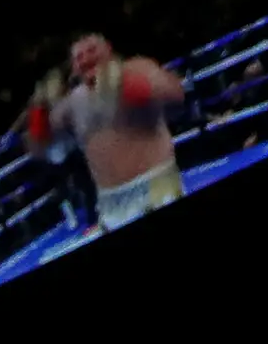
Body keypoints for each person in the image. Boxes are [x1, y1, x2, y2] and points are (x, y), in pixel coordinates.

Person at [26, 34, 189, 232]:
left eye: (92, 50)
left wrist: (146, 88)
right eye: (79, 57)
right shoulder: (71, 105)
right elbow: (44, 151)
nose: (85, 59)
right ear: (74, 68)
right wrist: (38, 112)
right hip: (110, 205)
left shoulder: (137, 68)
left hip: (157, 187)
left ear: (108, 50)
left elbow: (178, 96)